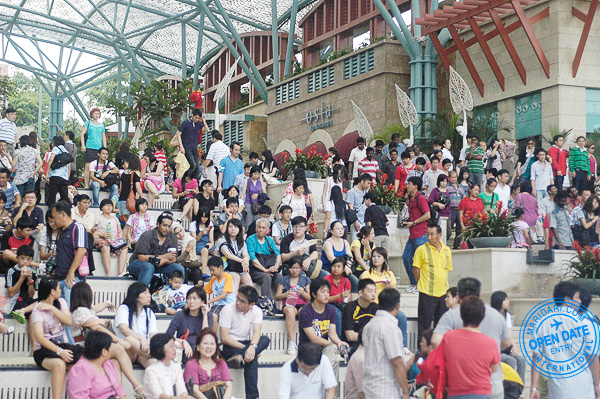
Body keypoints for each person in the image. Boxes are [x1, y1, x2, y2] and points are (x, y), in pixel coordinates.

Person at [432, 277, 511, 399]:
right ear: (479, 294)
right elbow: (507, 342)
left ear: (458, 296)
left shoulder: (451, 315)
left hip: (460, 382)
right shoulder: (496, 314)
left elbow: (435, 341)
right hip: (492, 381)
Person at [69, 282, 143, 397]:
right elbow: (96, 327)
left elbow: (97, 307)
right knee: (118, 348)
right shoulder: (80, 311)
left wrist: (108, 303)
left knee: (115, 363)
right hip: (84, 346)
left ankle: (115, 395)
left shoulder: (86, 310)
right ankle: (136, 384)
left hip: (94, 345)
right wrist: (118, 340)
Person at [529, 282, 598, 399]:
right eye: (577, 298)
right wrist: (597, 384)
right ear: (567, 300)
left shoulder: (541, 324)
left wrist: (534, 387)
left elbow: (537, 356)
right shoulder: (586, 324)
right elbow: (592, 357)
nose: (580, 301)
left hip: (557, 389)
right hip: (583, 388)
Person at [440, 296, 501, 399]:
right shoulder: (490, 342)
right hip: (482, 393)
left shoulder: (448, 337)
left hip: (455, 393)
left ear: (461, 315)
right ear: (482, 317)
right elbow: (494, 368)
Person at [31, 277, 81, 399]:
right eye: (59, 288)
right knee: (59, 364)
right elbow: (40, 338)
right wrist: (60, 352)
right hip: (43, 351)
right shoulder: (37, 310)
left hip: (63, 346)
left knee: (82, 362)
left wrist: (52, 308)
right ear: (52, 291)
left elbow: (69, 321)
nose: (60, 290)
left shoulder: (61, 302)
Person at [219, 285, 271, 399]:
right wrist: (249, 349)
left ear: (251, 304)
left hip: (245, 343)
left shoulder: (256, 311)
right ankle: (253, 397)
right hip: (229, 346)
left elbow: (257, 331)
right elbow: (224, 338)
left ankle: (240, 357)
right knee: (252, 358)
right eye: (238, 298)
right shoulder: (227, 309)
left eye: (242, 301)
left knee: (265, 339)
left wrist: (252, 347)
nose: (238, 303)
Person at [298, 278, 348, 389]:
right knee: (332, 353)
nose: (327, 295)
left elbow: (332, 333)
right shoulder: (305, 311)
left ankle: (325, 386)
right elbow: (313, 339)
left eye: (328, 292)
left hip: (324, 347)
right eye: (323, 291)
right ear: (314, 294)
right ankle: (328, 388)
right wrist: (332, 344)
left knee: (333, 351)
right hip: (307, 348)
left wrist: (339, 343)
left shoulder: (331, 310)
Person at [362, 288, 410, 399]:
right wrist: (405, 392)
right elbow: (397, 362)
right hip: (386, 389)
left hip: (369, 386)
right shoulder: (390, 328)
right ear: (397, 306)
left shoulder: (369, 326)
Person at [413, 225, 452, 343]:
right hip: (427, 292)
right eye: (427, 234)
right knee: (424, 325)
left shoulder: (447, 250)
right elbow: (416, 269)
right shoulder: (421, 249)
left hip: (443, 293)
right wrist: (422, 282)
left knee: (441, 325)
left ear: (439, 235)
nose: (429, 237)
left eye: (432, 234)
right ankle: (422, 352)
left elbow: (447, 269)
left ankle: (438, 351)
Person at [65, 330, 128, 399]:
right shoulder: (80, 369)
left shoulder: (108, 364)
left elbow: (119, 390)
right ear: (104, 351)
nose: (111, 350)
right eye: (110, 347)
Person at [127, 212, 185, 286]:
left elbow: (173, 259)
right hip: (138, 263)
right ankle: (140, 293)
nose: (166, 229)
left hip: (161, 265)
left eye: (169, 226)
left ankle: (178, 295)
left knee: (178, 268)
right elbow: (141, 258)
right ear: (158, 224)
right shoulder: (147, 235)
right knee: (149, 267)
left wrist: (164, 261)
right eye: (164, 225)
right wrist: (163, 256)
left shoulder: (172, 237)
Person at [53, 200, 88, 313]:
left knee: (72, 313)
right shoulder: (60, 232)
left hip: (73, 278)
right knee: (63, 314)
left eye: (54, 217)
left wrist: (71, 272)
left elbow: (82, 250)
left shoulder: (78, 227)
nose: (53, 221)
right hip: (61, 278)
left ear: (63, 214)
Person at [114, 282, 157, 368]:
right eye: (145, 293)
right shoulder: (124, 309)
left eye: (149, 292)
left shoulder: (149, 312)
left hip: (143, 351)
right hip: (127, 350)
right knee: (130, 339)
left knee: (155, 364)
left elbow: (153, 334)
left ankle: (154, 355)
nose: (149, 295)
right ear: (136, 296)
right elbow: (124, 330)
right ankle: (157, 353)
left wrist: (150, 343)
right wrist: (141, 338)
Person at [166, 286, 215, 361]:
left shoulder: (208, 316)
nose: (191, 301)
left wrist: (204, 315)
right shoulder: (180, 315)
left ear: (203, 301)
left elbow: (206, 337)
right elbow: (167, 336)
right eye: (189, 298)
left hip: (201, 352)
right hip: (183, 351)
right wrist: (183, 342)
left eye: (195, 298)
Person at [183, 328, 233, 399]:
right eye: (205, 343)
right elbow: (195, 390)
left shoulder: (221, 363)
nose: (209, 347)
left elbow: (229, 386)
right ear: (198, 347)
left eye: (212, 344)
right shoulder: (191, 364)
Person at [276, 256, 311, 355]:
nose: (295, 271)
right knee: (290, 311)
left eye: (297, 268)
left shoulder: (306, 280)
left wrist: (303, 293)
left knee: (305, 312)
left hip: (302, 304)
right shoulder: (284, 279)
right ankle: (292, 342)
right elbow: (277, 296)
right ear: (288, 268)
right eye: (292, 268)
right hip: (288, 304)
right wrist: (284, 294)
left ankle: (306, 341)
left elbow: (310, 297)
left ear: (301, 269)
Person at [490, 291, 526, 382]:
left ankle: (519, 386)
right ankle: (509, 386)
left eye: (507, 299)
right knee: (511, 361)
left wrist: (513, 346)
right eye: (505, 300)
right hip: (496, 350)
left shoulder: (507, 315)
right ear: (498, 301)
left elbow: (509, 334)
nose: (507, 302)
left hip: (506, 349)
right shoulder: (491, 315)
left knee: (521, 360)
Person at [143, 333, 194, 399]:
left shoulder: (176, 366)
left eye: (174, 345)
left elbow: (181, 389)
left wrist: (183, 397)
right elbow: (159, 395)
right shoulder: (151, 370)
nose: (174, 349)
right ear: (160, 349)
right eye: (170, 346)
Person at [402, 177, 430, 293]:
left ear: (415, 186)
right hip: (412, 235)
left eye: (409, 184)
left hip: (421, 234)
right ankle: (414, 283)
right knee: (406, 257)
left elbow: (427, 214)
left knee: (420, 261)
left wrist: (413, 222)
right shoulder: (411, 198)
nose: (407, 186)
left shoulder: (421, 198)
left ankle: (421, 284)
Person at [246, 218, 282, 299]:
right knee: (266, 277)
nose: (261, 230)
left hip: (269, 267)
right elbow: (252, 258)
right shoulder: (250, 240)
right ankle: (267, 302)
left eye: (263, 228)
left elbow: (278, 254)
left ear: (268, 230)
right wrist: (264, 270)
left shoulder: (270, 240)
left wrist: (276, 265)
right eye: (259, 227)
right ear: (256, 228)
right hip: (256, 270)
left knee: (279, 277)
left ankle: (281, 303)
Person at [94, 199, 128, 276]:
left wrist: (119, 239)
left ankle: (120, 272)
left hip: (114, 241)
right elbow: (93, 231)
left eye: (110, 205)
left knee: (124, 247)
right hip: (103, 240)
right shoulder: (98, 218)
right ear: (101, 207)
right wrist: (102, 235)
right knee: (105, 247)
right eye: (106, 205)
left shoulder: (115, 218)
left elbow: (120, 231)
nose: (109, 207)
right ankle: (108, 272)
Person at [216, 218, 253, 289]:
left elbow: (245, 253)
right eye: (230, 227)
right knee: (236, 277)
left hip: (237, 267)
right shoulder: (222, 239)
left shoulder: (241, 241)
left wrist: (246, 259)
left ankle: (252, 299)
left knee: (247, 277)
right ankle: (233, 299)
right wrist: (242, 261)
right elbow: (228, 255)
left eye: (236, 227)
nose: (233, 229)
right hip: (225, 267)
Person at [342, 278, 377, 350]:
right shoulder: (349, 308)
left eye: (375, 291)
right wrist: (372, 338)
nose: (373, 294)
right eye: (370, 291)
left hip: (372, 344)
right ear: (361, 293)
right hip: (353, 345)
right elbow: (350, 336)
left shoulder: (376, 308)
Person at [175, 109, 206, 179]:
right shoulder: (186, 123)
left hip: (194, 148)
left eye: (198, 118)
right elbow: (178, 134)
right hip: (187, 147)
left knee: (197, 168)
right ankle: (185, 179)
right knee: (193, 165)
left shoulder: (197, 123)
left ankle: (194, 183)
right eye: (196, 118)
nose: (197, 119)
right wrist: (181, 146)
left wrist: (203, 120)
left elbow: (207, 130)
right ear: (192, 115)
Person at [80, 108, 107, 188]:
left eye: (98, 113)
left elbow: (103, 137)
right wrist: (83, 145)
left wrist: (104, 147)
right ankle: (86, 184)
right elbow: (82, 134)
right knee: (88, 166)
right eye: (95, 113)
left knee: (98, 166)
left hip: (98, 147)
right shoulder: (88, 123)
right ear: (92, 114)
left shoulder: (101, 125)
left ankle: (97, 183)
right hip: (90, 146)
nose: (97, 115)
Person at [44, 135, 71, 205]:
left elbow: (51, 159)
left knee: (52, 197)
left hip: (55, 176)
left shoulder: (56, 148)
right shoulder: (66, 151)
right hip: (64, 177)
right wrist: (67, 178)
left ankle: (51, 213)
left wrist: (47, 173)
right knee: (65, 197)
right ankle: (68, 211)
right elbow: (69, 167)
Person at [346, 173, 372, 240]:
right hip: (356, 221)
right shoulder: (351, 192)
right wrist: (355, 221)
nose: (369, 185)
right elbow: (350, 209)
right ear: (362, 181)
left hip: (365, 221)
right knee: (356, 241)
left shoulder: (366, 193)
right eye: (368, 183)